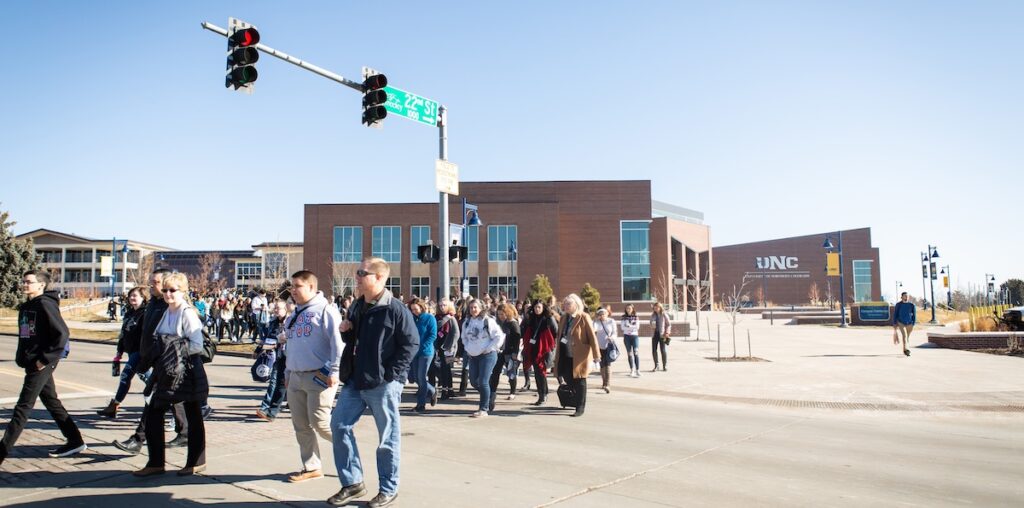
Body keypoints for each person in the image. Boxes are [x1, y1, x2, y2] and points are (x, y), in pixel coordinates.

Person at [329, 258, 418, 507]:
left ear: (379, 278)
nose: (356, 276)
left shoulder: (395, 309)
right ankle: (353, 482)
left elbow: (411, 344)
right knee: (339, 426)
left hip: (383, 384)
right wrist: (347, 330)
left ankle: (388, 489)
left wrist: (391, 376)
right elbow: (356, 339)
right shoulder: (358, 305)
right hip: (356, 379)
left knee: (387, 439)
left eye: (361, 272)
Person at [0, 271, 86, 466]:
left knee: (22, 408)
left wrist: (43, 360)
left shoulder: (45, 304)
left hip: (41, 363)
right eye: (23, 281)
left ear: (41, 285)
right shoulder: (29, 305)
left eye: (29, 282)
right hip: (32, 361)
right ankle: (75, 440)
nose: (24, 284)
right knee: (51, 401)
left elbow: (62, 334)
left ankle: (1, 452)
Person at [133, 272, 209, 477]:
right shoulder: (167, 311)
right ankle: (156, 462)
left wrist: (172, 348)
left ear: (183, 291)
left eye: (172, 290)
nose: (167, 294)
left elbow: (197, 345)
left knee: (193, 416)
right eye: (165, 290)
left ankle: (196, 461)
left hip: (187, 371)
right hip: (167, 372)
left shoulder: (187, 312)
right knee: (154, 414)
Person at [112, 268, 189, 455]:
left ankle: (138, 440)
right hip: (155, 360)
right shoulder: (153, 304)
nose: (152, 286)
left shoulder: (174, 308)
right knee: (170, 398)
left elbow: (191, 340)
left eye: (155, 283)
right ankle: (186, 432)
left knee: (154, 401)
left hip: (167, 362)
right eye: (151, 282)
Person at [283, 270, 344, 483]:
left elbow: (338, 344)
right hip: (296, 376)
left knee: (321, 423)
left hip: (319, 376)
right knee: (301, 425)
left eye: (297, 286)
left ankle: (348, 450)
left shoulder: (326, 310)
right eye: (292, 286)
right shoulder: (294, 314)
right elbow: (291, 345)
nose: (293, 290)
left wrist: (333, 371)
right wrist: (288, 372)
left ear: (311, 287)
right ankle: (311, 466)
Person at [97, 287, 149, 418]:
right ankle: (165, 399)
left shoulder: (146, 313)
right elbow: (123, 334)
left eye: (135, 296)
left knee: (126, 375)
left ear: (143, 297)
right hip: (131, 351)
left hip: (140, 351)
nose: (132, 298)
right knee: (148, 379)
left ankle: (114, 406)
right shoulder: (129, 313)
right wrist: (119, 352)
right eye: (131, 295)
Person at [552, 294, 600, 417]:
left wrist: (596, 355)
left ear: (576, 305)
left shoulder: (583, 317)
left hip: (580, 355)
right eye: (565, 304)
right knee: (567, 376)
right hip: (565, 352)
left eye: (568, 304)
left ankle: (580, 407)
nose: (566, 306)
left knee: (580, 380)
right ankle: (575, 399)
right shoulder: (564, 317)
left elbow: (592, 337)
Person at [460, 299, 505, 418]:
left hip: (487, 355)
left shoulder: (487, 320)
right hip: (473, 355)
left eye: (475, 307)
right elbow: (464, 337)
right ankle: (489, 396)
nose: (473, 310)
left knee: (483, 381)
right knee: (474, 381)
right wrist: (467, 347)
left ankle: (483, 409)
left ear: (481, 308)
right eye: (471, 308)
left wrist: (489, 348)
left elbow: (499, 336)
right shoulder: (467, 322)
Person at [256, 299, 290, 421]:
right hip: (275, 356)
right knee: (275, 382)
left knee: (286, 383)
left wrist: (280, 340)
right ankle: (267, 409)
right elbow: (268, 337)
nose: (276, 310)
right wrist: (260, 347)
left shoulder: (290, 322)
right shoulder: (273, 322)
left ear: (285, 309)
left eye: (278, 308)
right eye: (275, 308)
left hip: (289, 356)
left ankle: (282, 405)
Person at [521, 300, 557, 406]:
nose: (537, 309)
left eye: (539, 307)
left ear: (543, 308)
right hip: (533, 348)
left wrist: (550, 346)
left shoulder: (548, 318)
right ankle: (541, 394)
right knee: (537, 372)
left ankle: (543, 395)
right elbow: (523, 330)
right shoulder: (530, 318)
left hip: (544, 348)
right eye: (536, 307)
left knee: (542, 372)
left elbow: (555, 332)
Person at [409, 298, 438, 413]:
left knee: (421, 378)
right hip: (414, 352)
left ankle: (421, 405)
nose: (414, 311)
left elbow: (433, 335)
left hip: (426, 352)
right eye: (412, 310)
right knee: (416, 378)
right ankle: (432, 390)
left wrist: (422, 346)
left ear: (421, 307)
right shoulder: (412, 319)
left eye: (416, 309)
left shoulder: (430, 318)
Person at [491, 303, 522, 409]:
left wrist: (515, 353)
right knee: (495, 372)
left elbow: (517, 339)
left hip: (510, 352)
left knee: (511, 373)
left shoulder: (513, 323)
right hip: (500, 351)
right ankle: (493, 391)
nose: (500, 316)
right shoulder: (499, 323)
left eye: (502, 314)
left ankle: (512, 391)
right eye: (499, 314)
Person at [435, 300, 460, 400]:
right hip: (441, 346)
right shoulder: (439, 317)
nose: (442, 307)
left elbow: (456, 334)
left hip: (449, 348)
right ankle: (449, 389)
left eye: (444, 305)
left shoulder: (452, 318)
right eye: (440, 305)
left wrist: (449, 346)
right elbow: (437, 325)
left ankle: (446, 390)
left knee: (446, 368)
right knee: (445, 368)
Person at [594, 307, 618, 393]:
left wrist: (612, 337)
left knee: (608, 364)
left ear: (607, 314)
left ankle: (608, 384)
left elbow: (615, 332)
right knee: (602, 364)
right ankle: (604, 382)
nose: (602, 316)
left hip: (608, 345)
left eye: (603, 314)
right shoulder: (596, 322)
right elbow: (594, 330)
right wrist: (595, 320)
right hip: (599, 346)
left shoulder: (611, 321)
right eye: (600, 314)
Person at [620, 304, 641, 377]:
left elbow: (637, 327)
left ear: (632, 309)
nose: (628, 310)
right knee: (629, 353)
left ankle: (637, 370)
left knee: (636, 352)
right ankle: (632, 369)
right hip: (627, 337)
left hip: (634, 336)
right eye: (627, 308)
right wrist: (631, 327)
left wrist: (629, 327)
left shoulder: (636, 317)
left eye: (629, 308)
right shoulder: (623, 317)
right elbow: (622, 328)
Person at [893, 292, 916, 357]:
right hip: (901, 322)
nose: (906, 297)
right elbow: (895, 314)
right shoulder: (898, 305)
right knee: (904, 336)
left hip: (909, 323)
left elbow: (914, 315)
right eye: (905, 296)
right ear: (902, 297)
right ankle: (906, 350)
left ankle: (905, 350)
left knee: (907, 338)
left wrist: (913, 323)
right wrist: (894, 323)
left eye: (907, 296)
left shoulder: (912, 305)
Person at [650, 302, 671, 372]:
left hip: (662, 334)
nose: (656, 309)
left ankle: (665, 365)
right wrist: (652, 325)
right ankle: (656, 365)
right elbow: (651, 323)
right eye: (655, 307)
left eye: (657, 307)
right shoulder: (653, 315)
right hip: (654, 334)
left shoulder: (664, 314)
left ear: (660, 307)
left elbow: (668, 324)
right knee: (654, 350)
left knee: (663, 350)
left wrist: (667, 332)